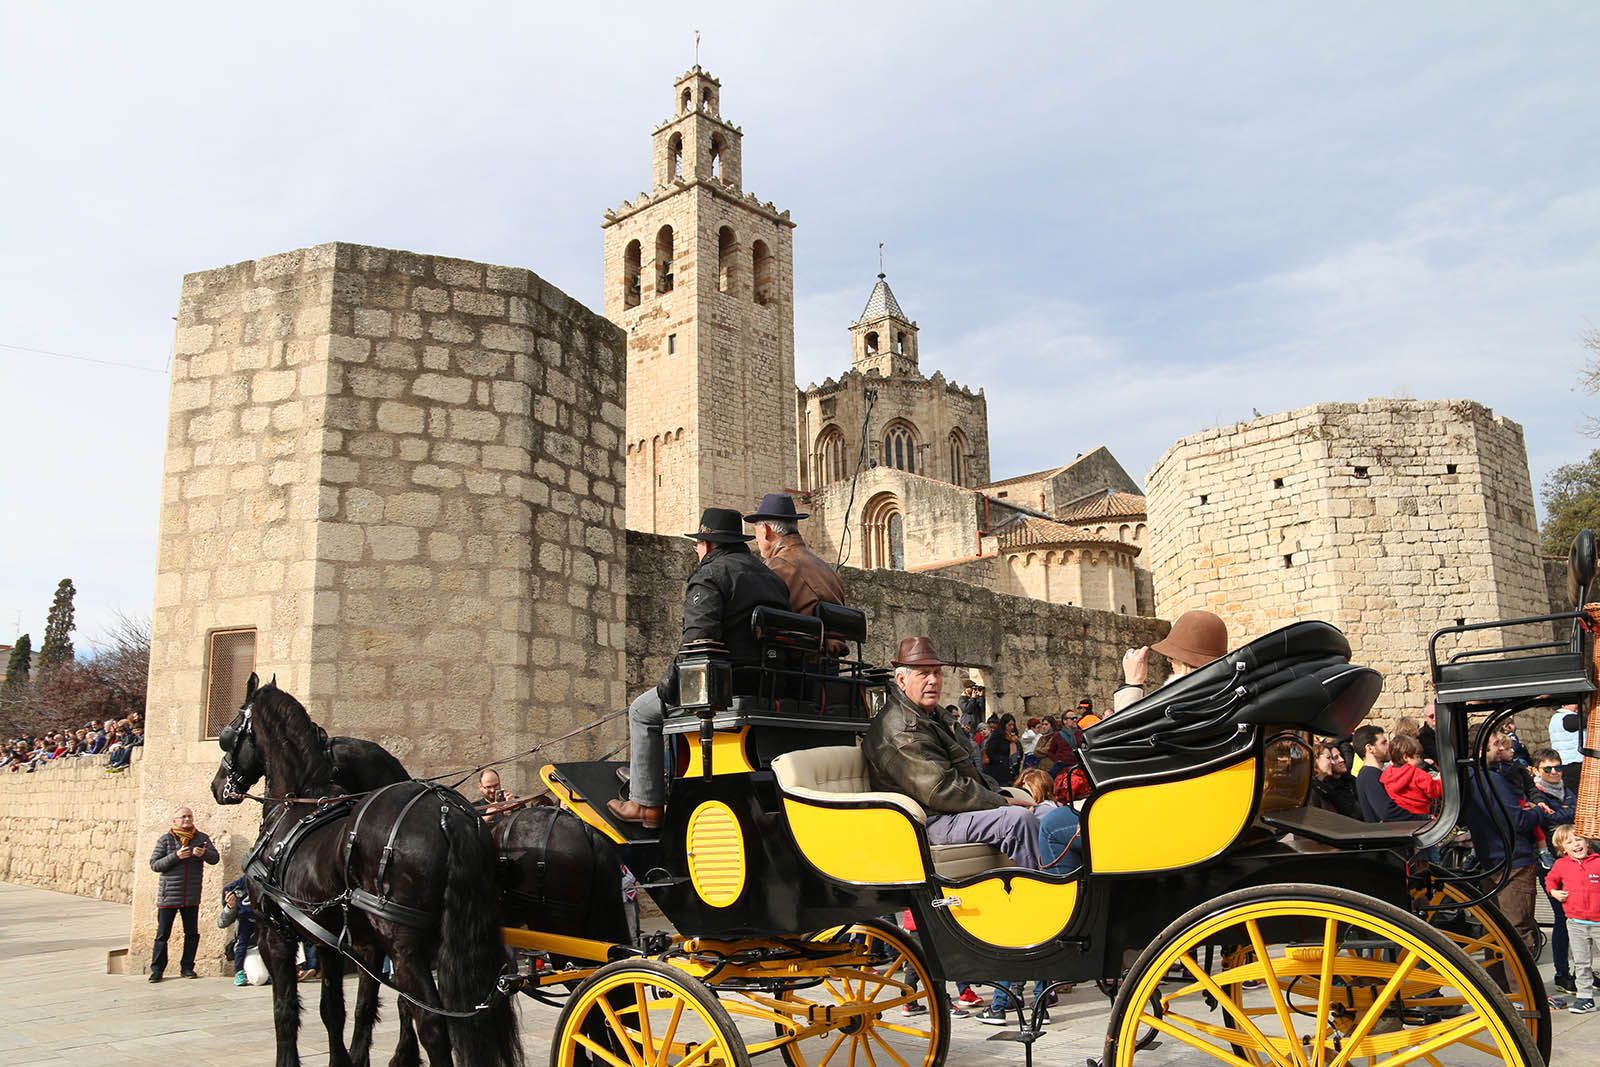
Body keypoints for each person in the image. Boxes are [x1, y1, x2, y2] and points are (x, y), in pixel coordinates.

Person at [608, 507, 789, 829]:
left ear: (709, 544)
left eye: (698, 543)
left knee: (641, 710)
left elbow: (698, 641)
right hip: (769, 683)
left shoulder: (710, 575)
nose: (696, 549)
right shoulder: (773, 579)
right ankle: (657, 775)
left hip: (725, 688)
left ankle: (645, 804)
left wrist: (669, 680)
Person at [862, 636, 1041, 870]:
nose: (933, 681)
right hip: (928, 820)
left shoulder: (933, 715)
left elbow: (969, 768)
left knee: (1045, 810)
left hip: (950, 810)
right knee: (1018, 820)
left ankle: (1064, 881)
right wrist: (1000, 801)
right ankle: (1047, 893)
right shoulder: (899, 729)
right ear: (901, 680)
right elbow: (941, 790)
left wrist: (1000, 794)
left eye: (937, 672)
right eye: (923, 674)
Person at [1462, 731, 1542, 952]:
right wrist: (1538, 813)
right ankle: (1520, 987)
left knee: (1496, 933)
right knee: (1517, 934)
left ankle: (1500, 986)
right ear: (1480, 749)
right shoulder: (1490, 779)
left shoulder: (1468, 776)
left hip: (1492, 860)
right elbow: (1515, 820)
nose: (1500, 748)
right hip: (1512, 861)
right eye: (1495, 744)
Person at [743, 494, 846, 620]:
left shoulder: (774, 568)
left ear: (766, 530)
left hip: (803, 639)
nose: (756, 540)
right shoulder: (828, 570)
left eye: (756, 532)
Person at [147, 806, 218, 982]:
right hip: (169, 896)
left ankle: (187, 967)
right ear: (175, 821)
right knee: (163, 935)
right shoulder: (165, 840)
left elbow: (215, 858)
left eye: (189, 816)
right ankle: (157, 970)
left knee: (192, 933)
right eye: (183, 817)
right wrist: (176, 856)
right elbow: (155, 864)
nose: (187, 819)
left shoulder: (201, 838)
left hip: (191, 896)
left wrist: (204, 853)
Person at [1114, 610, 1228, 713]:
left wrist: (1132, 683)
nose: (1168, 659)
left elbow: (1122, 733)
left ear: (1187, 661)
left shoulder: (1177, 704)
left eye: (1173, 656)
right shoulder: (1231, 699)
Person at [1529, 748, 1576, 993]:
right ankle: (1562, 973)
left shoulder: (1567, 790)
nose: (1555, 772)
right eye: (1548, 769)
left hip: (1575, 859)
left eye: (1558, 767)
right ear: (1536, 770)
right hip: (1551, 863)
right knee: (1562, 919)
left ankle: (1582, 971)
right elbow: (1547, 821)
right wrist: (1563, 815)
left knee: (1580, 919)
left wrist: (1559, 815)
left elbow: (1566, 815)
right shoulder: (1536, 793)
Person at [1546, 825, 1599, 1014]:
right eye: (1569, 842)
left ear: (1587, 841)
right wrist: (1554, 892)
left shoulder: (1598, 862)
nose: (1575, 844)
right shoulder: (1561, 865)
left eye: (1578, 839)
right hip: (1575, 923)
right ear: (1562, 849)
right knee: (1581, 963)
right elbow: (1550, 880)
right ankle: (1585, 998)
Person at [1352, 725, 1409, 823]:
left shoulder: (1373, 773)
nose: (1389, 746)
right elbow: (1387, 812)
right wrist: (1422, 817)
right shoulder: (1369, 775)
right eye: (1383, 743)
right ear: (1370, 748)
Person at [1379, 734, 1438, 820]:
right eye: (1417, 757)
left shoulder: (1387, 774)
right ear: (1406, 757)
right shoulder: (1417, 774)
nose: (1420, 760)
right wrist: (1440, 780)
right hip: (1421, 815)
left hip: (1403, 819)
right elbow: (1434, 791)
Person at [218, 876, 256, 986]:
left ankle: (296, 968)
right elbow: (221, 923)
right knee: (259, 978)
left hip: (264, 926)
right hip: (247, 926)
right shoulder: (237, 886)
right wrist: (230, 906)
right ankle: (239, 971)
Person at [1310, 741, 1362, 820]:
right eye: (1328, 758)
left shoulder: (1326, 788)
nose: (1332, 762)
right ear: (1315, 760)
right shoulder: (1313, 790)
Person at [1550, 704, 1584, 794]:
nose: (1578, 706)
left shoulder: (1556, 718)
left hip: (1564, 762)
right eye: (1574, 703)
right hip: (1574, 763)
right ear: (1564, 705)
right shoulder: (1569, 718)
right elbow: (1592, 722)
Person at [982, 714, 1024, 786]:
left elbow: (1019, 753)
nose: (1012, 727)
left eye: (1013, 725)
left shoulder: (1014, 739)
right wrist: (1001, 760)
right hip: (998, 773)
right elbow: (990, 752)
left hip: (1012, 774)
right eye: (1009, 725)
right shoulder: (997, 736)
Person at [1416, 701, 1439, 768]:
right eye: (1431, 716)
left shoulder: (1449, 731)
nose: (1435, 719)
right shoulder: (1420, 736)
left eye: (1437, 715)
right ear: (1426, 718)